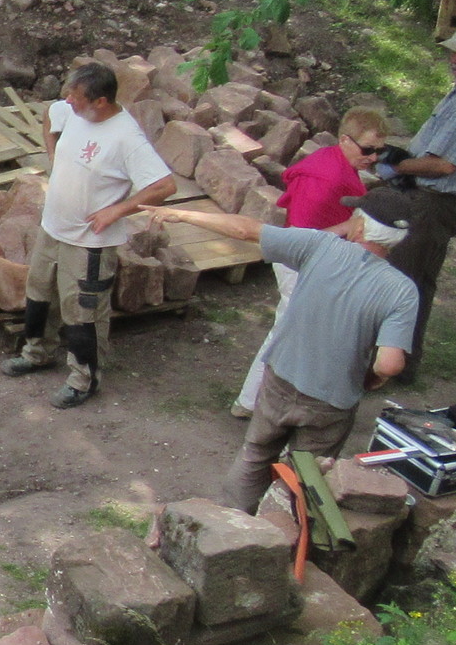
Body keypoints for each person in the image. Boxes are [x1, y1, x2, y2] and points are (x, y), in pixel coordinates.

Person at [151, 202, 417, 512]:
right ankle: (287, 527)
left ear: (359, 227)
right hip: (332, 399)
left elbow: (244, 230)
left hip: (281, 379)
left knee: (255, 454)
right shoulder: (402, 291)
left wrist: (183, 214)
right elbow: (389, 364)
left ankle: (232, 518)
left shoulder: (320, 245)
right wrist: (373, 379)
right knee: (307, 475)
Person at [2, 63, 177, 409]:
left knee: (84, 313)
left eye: (76, 96)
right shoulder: (73, 111)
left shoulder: (126, 138)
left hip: (89, 244)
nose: (67, 100)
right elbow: (50, 116)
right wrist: (53, 154)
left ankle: (84, 379)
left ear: (100, 101)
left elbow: (164, 185)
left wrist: (117, 210)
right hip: (53, 228)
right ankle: (37, 353)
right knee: (39, 295)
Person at [360, 19, 456, 377]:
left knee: (398, 282)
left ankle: (382, 366)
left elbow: (443, 165)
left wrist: (393, 163)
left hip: (434, 201)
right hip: (427, 196)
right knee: (415, 281)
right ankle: (400, 363)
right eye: (454, 52)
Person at [233, 106, 393, 417]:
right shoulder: (326, 180)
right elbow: (303, 239)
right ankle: (250, 402)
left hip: (313, 260)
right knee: (285, 333)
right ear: (345, 140)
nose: (374, 158)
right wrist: (348, 227)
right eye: (368, 150)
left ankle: (264, 401)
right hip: (301, 264)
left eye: (380, 151)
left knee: (294, 332)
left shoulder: (334, 162)